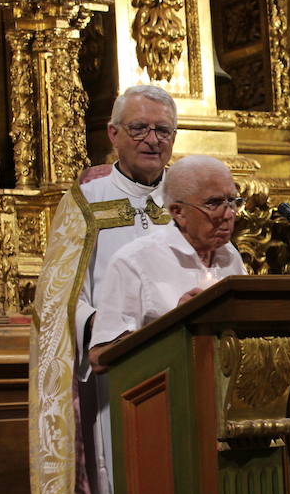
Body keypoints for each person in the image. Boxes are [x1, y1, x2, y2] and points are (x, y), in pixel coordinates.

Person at [27, 84, 178, 494]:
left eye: (162, 131)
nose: (151, 140)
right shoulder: (88, 202)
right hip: (118, 390)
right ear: (112, 134)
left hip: (186, 387)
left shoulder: (191, 198)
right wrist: (110, 334)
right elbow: (61, 300)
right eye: (139, 129)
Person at [88, 156, 247, 364]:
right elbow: (100, 357)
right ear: (178, 212)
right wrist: (175, 323)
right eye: (214, 203)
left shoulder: (230, 255)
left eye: (233, 202)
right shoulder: (134, 262)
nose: (228, 214)